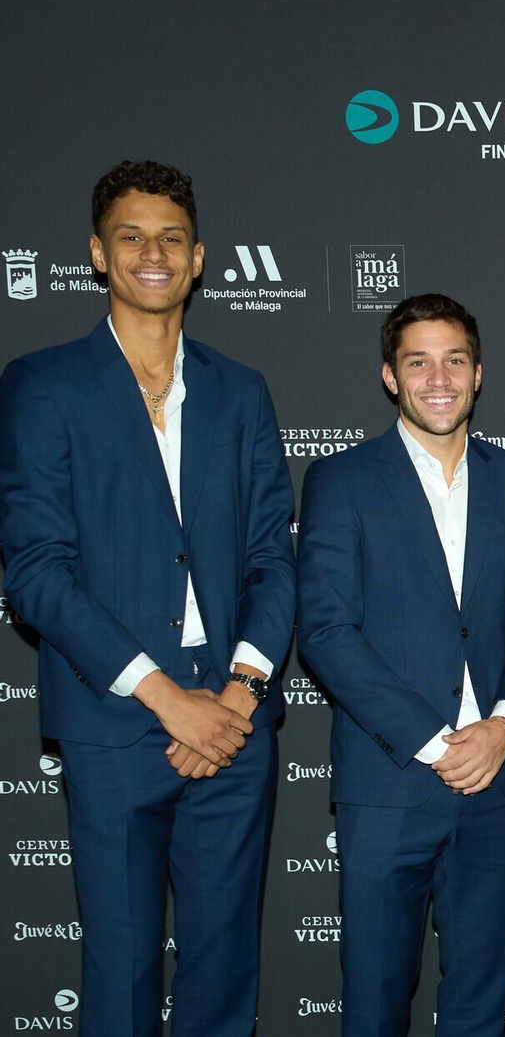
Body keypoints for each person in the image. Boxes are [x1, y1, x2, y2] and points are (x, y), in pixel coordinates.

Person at [0, 160, 295, 1035]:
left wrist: (236, 696)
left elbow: (272, 561)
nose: (152, 252)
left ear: (199, 258)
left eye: (171, 237)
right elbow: (36, 570)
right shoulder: (42, 384)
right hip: (117, 721)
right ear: (98, 252)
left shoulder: (239, 389)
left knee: (222, 975)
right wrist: (169, 699)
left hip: (234, 722)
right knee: (121, 975)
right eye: (131, 235)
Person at [297, 293, 505, 1036]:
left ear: (478, 374)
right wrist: (438, 742)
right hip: (390, 783)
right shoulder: (341, 480)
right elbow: (326, 632)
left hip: (496, 781)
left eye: (454, 360)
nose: (438, 377)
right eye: (418, 361)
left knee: (480, 1002)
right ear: (389, 375)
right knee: (374, 999)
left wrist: (503, 727)